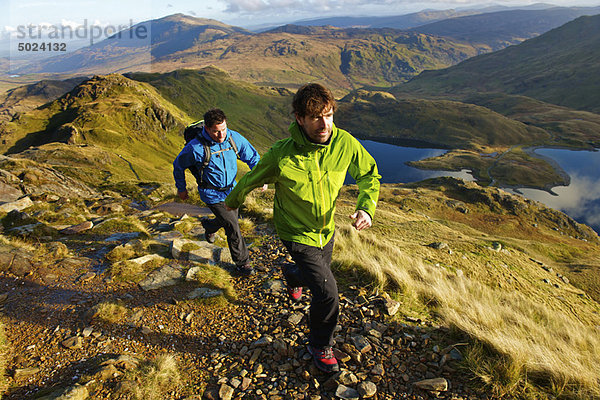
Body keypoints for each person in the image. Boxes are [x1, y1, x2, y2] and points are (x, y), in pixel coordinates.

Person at [225, 83, 381, 372]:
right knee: (327, 292)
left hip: (325, 229)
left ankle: (292, 274)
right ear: (299, 118)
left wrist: (366, 207)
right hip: (294, 232)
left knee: (313, 276)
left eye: (329, 115)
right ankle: (320, 345)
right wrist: (232, 201)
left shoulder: (345, 143)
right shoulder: (281, 154)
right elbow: (252, 178)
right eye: (315, 117)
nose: (324, 124)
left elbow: (369, 175)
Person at [173, 108, 261, 276]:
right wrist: (181, 188)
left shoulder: (233, 138)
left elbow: (252, 157)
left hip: (232, 190)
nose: (221, 135)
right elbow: (178, 165)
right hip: (211, 194)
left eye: (223, 129)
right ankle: (243, 264)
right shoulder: (195, 148)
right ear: (206, 128)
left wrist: (260, 176)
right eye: (216, 131)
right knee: (233, 227)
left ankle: (209, 226)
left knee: (228, 221)